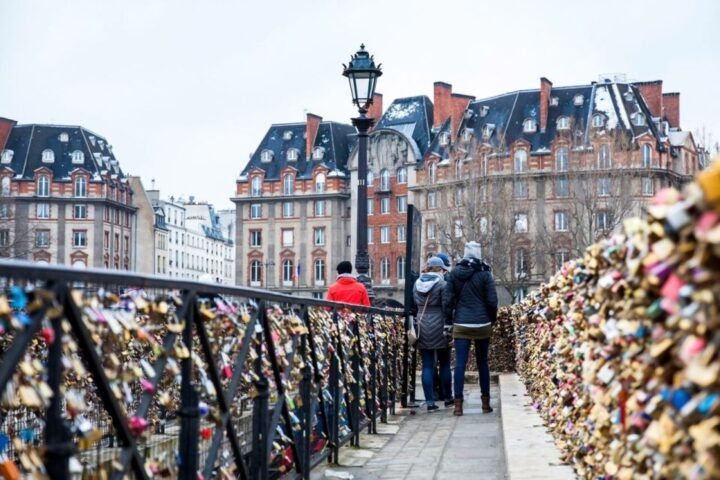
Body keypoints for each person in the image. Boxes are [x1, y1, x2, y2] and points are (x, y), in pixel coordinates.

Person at [444, 241, 498, 416]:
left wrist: (448, 320)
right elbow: (492, 301)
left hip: (461, 323)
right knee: (483, 363)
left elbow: (448, 300)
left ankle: (458, 406)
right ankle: (485, 403)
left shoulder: (454, 274)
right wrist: (492, 319)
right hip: (482, 323)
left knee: (460, 364)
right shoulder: (485, 274)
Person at [412, 257, 453, 411]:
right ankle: (448, 398)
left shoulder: (416, 284)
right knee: (445, 364)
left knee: (427, 366)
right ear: (440, 269)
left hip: (422, 324)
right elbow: (447, 307)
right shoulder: (443, 284)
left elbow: (414, 305)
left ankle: (430, 402)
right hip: (440, 324)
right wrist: (450, 328)